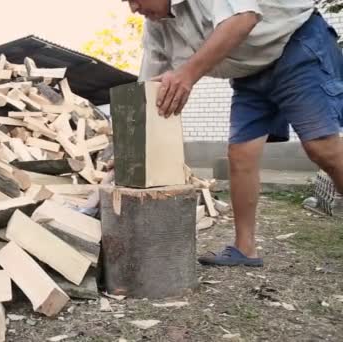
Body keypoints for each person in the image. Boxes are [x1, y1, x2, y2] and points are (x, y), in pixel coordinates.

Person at [124, 0, 343, 266]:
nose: (134, 8)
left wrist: (187, 74)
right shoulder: (156, 28)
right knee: (240, 156)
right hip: (250, 74)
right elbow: (147, 86)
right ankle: (245, 249)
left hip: (296, 45)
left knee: (322, 148)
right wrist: (127, 147)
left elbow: (244, 18)